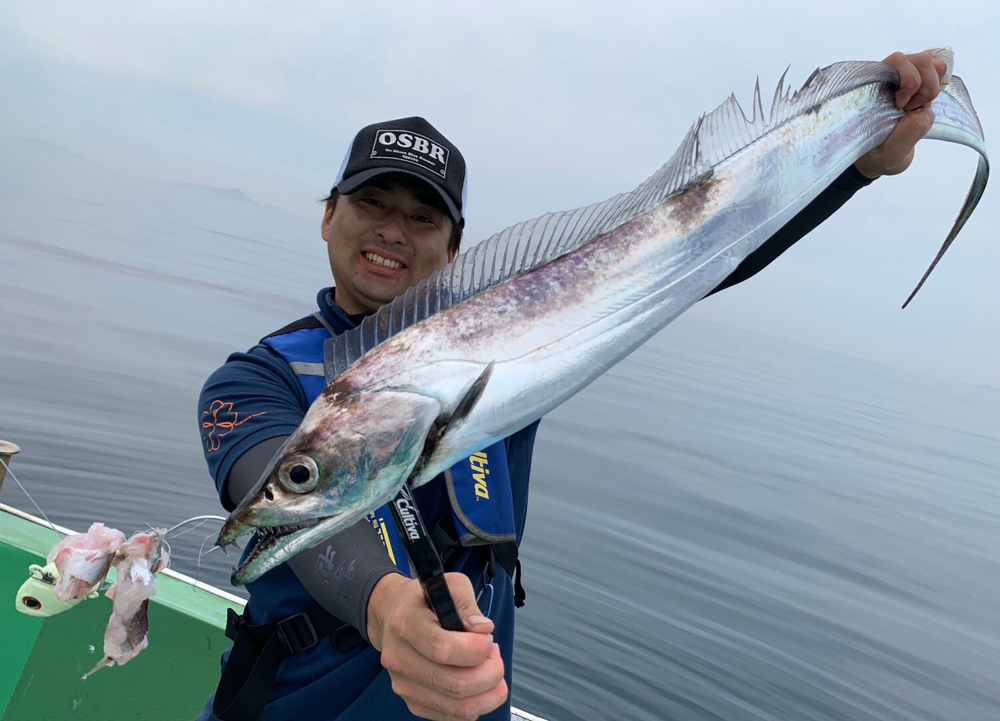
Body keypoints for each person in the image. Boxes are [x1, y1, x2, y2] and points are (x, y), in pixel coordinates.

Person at [194, 50, 948, 721]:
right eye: (371, 204)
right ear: (328, 216)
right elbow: (269, 482)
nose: (393, 229)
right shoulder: (253, 379)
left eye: (422, 216)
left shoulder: (510, 338)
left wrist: (855, 167)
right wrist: (391, 610)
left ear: (453, 248)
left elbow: (695, 262)